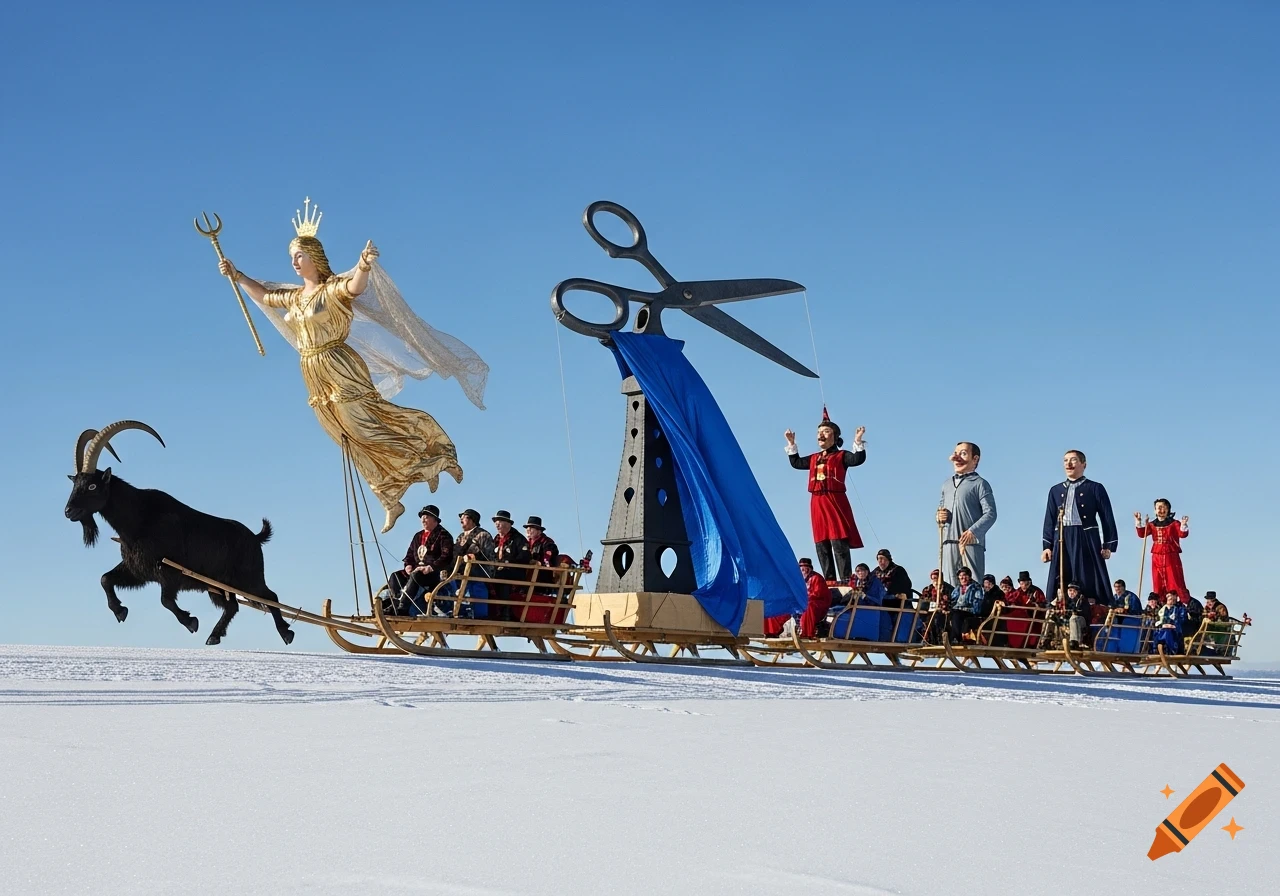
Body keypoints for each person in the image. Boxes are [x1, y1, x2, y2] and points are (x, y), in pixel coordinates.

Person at [217, 199, 486, 533]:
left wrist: (362, 264)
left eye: (299, 255)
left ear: (314, 257)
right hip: (313, 371)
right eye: (291, 257)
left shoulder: (331, 291)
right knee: (346, 438)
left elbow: (355, 287)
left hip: (339, 363)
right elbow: (263, 295)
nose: (294, 262)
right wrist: (237, 274)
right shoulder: (295, 296)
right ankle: (390, 498)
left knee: (365, 426)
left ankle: (434, 456)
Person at [784, 409, 866, 584]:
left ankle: (844, 578)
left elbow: (857, 459)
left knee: (838, 539)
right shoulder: (814, 458)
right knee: (821, 541)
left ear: (835, 436)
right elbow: (796, 463)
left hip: (834, 499)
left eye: (825, 431)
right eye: (818, 432)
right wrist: (792, 443)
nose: (820, 435)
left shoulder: (841, 455)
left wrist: (858, 441)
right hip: (817, 501)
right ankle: (829, 580)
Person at [1041, 450, 1118, 604]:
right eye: (1065, 460)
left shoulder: (1095, 488)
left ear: (1083, 464)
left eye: (1073, 460)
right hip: (1062, 537)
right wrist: (1047, 546)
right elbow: (1049, 520)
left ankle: (1091, 604)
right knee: (1061, 573)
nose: (1068, 464)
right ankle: (1061, 605)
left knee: (1087, 572)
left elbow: (1107, 517)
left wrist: (1109, 545)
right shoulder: (1055, 490)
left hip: (1086, 536)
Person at [936, 442, 997, 582]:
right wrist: (939, 516)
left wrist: (973, 531)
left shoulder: (980, 483)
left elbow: (991, 513)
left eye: (963, 453)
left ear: (975, 459)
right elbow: (941, 507)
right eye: (956, 453)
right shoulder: (946, 485)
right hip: (949, 542)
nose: (957, 458)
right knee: (949, 584)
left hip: (971, 543)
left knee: (972, 584)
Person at [385, 505, 454, 615]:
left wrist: (430, 567)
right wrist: (408, 565)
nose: (423, 520)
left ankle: (403, 608)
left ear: (434, 519)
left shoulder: (444, 535)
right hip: (417, 570)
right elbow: (409, 555)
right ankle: (391, 603)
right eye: (422, 517)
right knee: (396, 576)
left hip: (434, 573)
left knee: (416, 575)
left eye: (426, 517)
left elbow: (446, 556)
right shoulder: (418, 536)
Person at [1134, 499, 1191, 602]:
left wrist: (1183, 525)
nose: (1161, 510)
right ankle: (1160, 603)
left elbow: (1183, 534)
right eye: (1158, 507)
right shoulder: (1152, 525)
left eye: (1163, 507)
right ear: (1155, 510)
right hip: (1156, 556)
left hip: (1171, 555)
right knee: (1157, 580)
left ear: (1168, 509)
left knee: (1174, 579)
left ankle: (1181, 602)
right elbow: (1142, 534)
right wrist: (1138, 521)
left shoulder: (1174, 523)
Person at [764, 558, 832, 638]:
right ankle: (772, 631)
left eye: (806, 568)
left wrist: (803, 599)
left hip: (817, 605)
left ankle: (806, 633)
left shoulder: (817, 578)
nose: (804, 571)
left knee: (808, 606)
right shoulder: (795, 579)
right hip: (798, 603)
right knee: (778, 606)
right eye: (802, 569)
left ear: (810, 569)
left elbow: (818, 594)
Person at [448, 508, 496, 617]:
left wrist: (476, 556)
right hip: (460, 571)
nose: (461, 520)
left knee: (475, 590)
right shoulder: (461, 537)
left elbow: (489, 555)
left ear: (472, 520)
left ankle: (474, 613)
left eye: (464, 518)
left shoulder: (483, 535)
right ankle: (459, 611)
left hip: (478, 571)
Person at [520, 516, 562, 624]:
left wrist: (541, 562)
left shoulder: (547, 543)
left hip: (542, 576)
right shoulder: (524, 543)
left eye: (532, 528)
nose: (528, 530)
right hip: (527, 575)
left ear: (539, 531)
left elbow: (548, 557)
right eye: (527, 528)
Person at [491, 510, 530, 622]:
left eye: (500, 522)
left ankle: (505, 612)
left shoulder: (518, 539)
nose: (497, 524)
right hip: (498, 571)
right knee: (487, 576)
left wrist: (507, 563)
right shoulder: (496, 539)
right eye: (496, 522)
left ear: (508, 524)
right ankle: (493, 611)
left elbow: (524, 557)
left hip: (515, 571)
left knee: (502, 577)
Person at [948, 567, 984, 644]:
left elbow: (977, 603)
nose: (963, 578)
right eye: (961, 576)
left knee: (956, 615)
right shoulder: (957, 588)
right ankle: (945, 638)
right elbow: (953, 601)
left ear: (969, 576)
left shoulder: (976, 587)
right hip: (957, 611)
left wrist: (966, 608)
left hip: (970, 611)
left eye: (965, 575)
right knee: (946, 615)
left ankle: (957, 638)